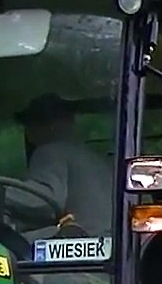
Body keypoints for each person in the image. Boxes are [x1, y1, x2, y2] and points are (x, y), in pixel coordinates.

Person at [17, 93, 114, 235]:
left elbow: (40, 203)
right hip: (108, 238)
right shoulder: (95, 158)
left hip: (78, 239)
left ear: (52, 125)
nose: (28, 131)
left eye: (32, 124)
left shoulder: (50, 152)